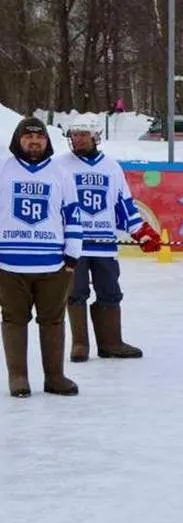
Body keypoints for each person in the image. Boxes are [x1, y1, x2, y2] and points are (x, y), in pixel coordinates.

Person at [55, 116, 161, 362]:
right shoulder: (59, 165)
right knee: (75, 292)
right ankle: (80, 345)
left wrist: (142, 232)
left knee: (110, 292)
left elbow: (123, 206)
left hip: (104, 245)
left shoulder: (111, 167)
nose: (78, 139)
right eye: (75, 134)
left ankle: (111, 343)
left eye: (84, 134)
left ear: (95, 136)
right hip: (75, 244)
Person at [0, 116, 84, 397]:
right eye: (28, 137)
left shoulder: (60, 172)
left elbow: (73, 214)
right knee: (14, 319)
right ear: (18, 140)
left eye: (40, 138)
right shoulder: (3, 167)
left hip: (52, 264)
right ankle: (18, 377)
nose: (34, 142)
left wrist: (72, 255)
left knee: (53, 320)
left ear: (47, 141)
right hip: (9, 264)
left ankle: (55, 377)